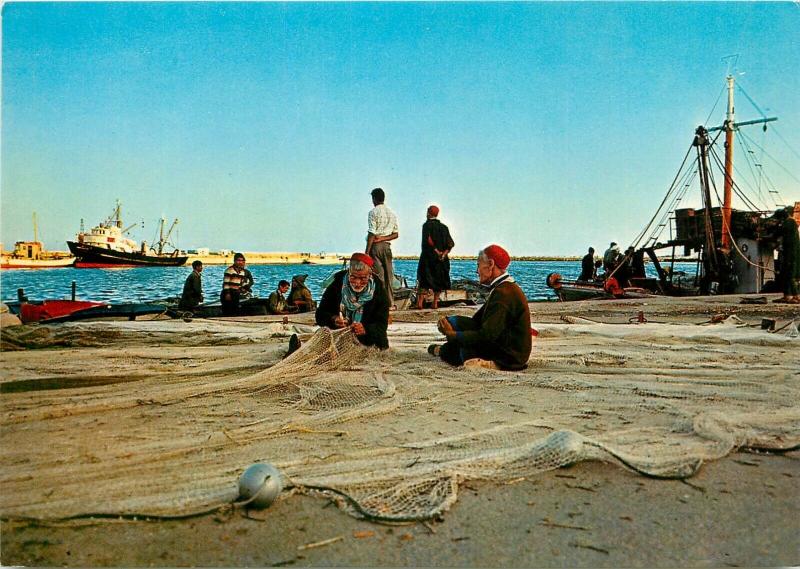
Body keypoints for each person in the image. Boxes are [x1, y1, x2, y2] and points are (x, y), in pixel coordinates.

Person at [429, 244, 532, 371]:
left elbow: (487, 335)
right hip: (509, 348)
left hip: (509, 357)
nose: (477, 271)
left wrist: (453, 335)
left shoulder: (503, 293)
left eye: (478, 265)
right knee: (454, 323)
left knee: (456, 349)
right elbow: (477, 321)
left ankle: (442, 351)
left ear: (490, 264)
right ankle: (442, 350)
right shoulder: (504, 287)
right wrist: (448, 322)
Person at [314, 252, 390, 349]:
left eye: (363, 278)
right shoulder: (337, 284)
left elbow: (381, 325)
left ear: (370, 274)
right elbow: (320, 314)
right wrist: (334, 319)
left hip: (368, 341)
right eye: (353, 277)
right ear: (348, 272)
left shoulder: (379, 292)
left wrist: (365, 329)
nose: (357, 283)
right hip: (339, 339)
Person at [416, 205, 455, 309]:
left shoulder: (426, 225)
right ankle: (435, 302)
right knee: (439, 280)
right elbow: (450, 243)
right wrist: (444, 254)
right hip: (441, 259)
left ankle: (420, 303)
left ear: (429, 213)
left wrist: (437, 252)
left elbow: (428, 241)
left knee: (424, 279)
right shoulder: (444, 227)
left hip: (428, 258)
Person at [365, 188, 399, 307]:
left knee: (379, 277)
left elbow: (372, 233)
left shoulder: (373, 212)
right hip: (387, 247)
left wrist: (367, 252)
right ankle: (390, 302)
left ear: (374, 199)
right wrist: (384, 238)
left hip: (375, 247)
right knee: (389, 276)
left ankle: (380, 303)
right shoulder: (392, 213)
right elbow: (396, 234)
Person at [774, 208, 800, 303]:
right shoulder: (790, 223)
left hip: (791, 253)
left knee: (789, 274)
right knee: (786, 274)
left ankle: (795, 296)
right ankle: (788, 295)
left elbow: (778, 232)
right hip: (788, 253)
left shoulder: (789, 223)